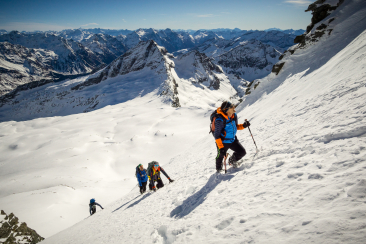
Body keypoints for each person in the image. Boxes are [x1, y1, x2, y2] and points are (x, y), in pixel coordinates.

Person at [213, 101, 250, 172]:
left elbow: (235, 127)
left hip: (233, 140)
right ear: (227, 109)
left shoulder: (234, 116)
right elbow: (216, 135)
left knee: (242, 152)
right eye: (232, 106)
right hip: (223, 141)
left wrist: (243, 126)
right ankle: (219, 170)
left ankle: (232, 160)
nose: (234, 107)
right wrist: (221, 148)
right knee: (220, 155)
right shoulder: (220, 120)